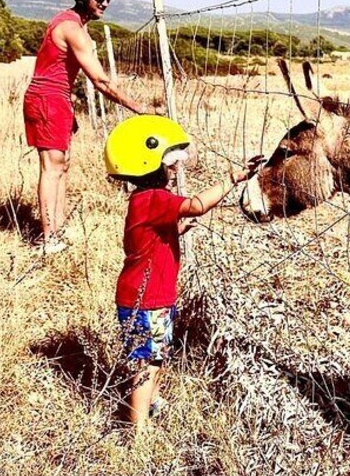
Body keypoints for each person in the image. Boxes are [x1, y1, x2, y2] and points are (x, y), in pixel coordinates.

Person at [104, 115, 263, 434]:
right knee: (146, 364)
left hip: (151, 297)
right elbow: (197, 204)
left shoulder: (142, 200)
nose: (174, 172)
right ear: (150, 165)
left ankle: (150, 402)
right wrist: (233, 178)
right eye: (169, 165)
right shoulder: (155, 199)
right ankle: (138, 431)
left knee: (156, 356)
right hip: (145, 301)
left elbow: (146, 240)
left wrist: (176, 230)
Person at [24, 0, 161, 254]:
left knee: (62, 164)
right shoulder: (73, 29)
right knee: (52, 168)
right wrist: (138, 108)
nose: (105, 3)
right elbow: (99, 80)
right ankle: (49, 239)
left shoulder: (73, 23)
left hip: (56, 98)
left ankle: (56, 230)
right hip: (49, 98)